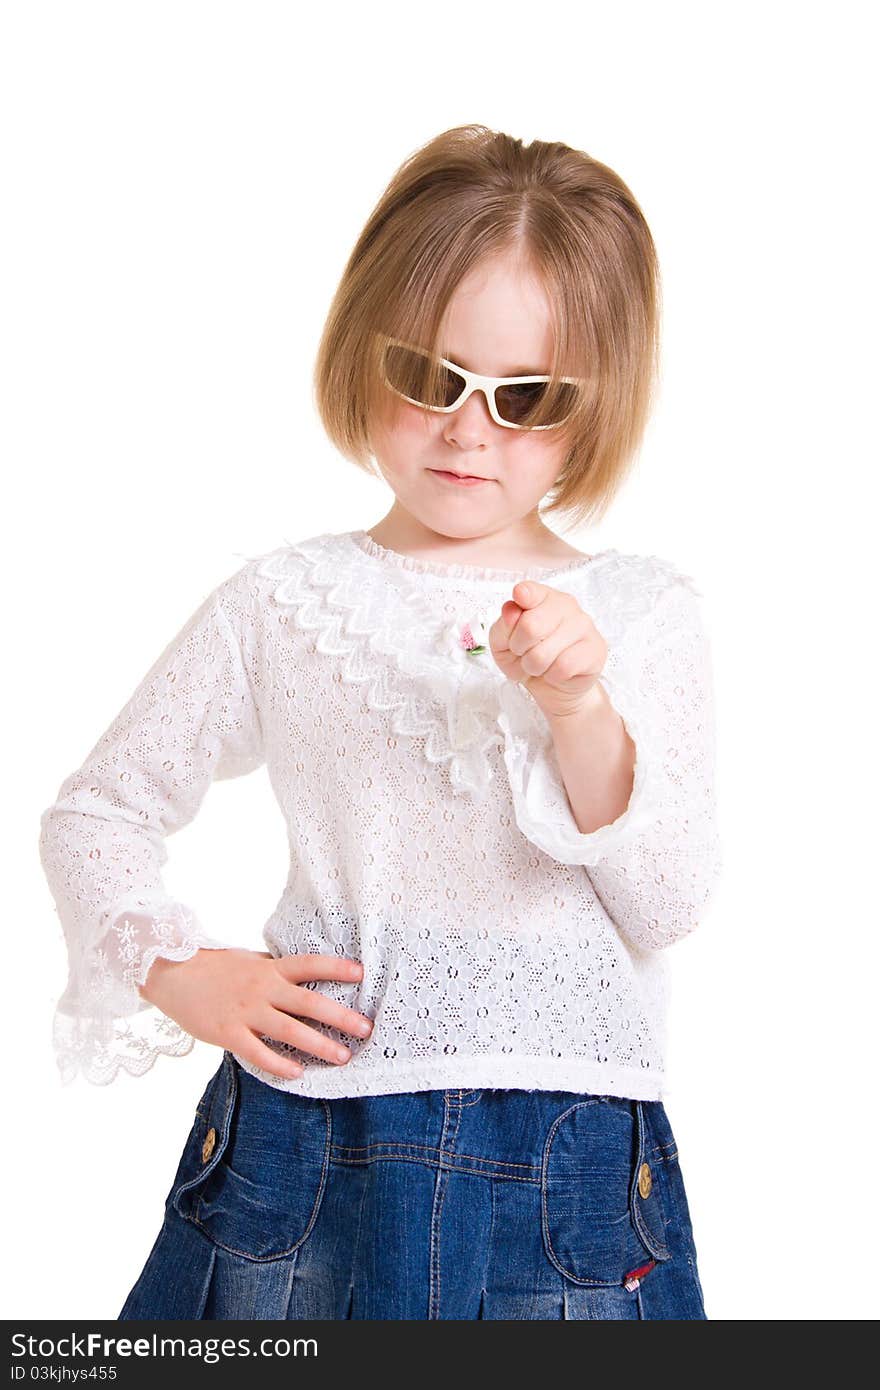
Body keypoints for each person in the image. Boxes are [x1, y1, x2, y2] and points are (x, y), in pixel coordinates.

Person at [38, 124, 722, 1321]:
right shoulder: (285, 603)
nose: (468, 429)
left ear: (592, 402)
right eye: (430, 376)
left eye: (528, 398)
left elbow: (667, 901)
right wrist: (180, 969)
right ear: (366, 349)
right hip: (302, 1146)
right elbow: (100, 808)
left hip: (568, 1169)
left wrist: (577, 707)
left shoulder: (639, 615)